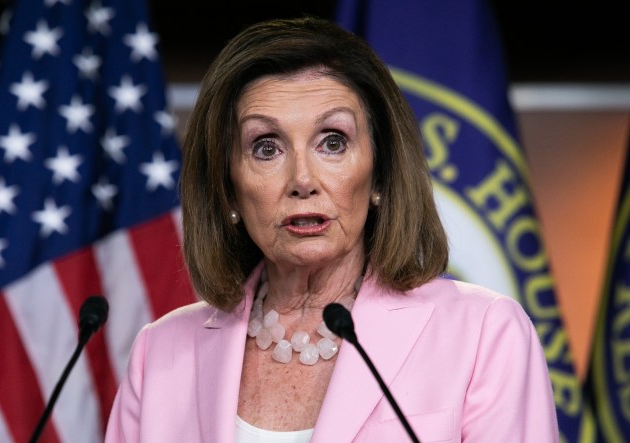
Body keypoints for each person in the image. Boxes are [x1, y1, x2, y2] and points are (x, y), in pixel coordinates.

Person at [105, 16, 558, 442]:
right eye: (266, 148)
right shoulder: (161, 353)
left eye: (333, 142)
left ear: (379, 174)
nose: (302, 180)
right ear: (228, 190)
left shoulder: (483, 333)